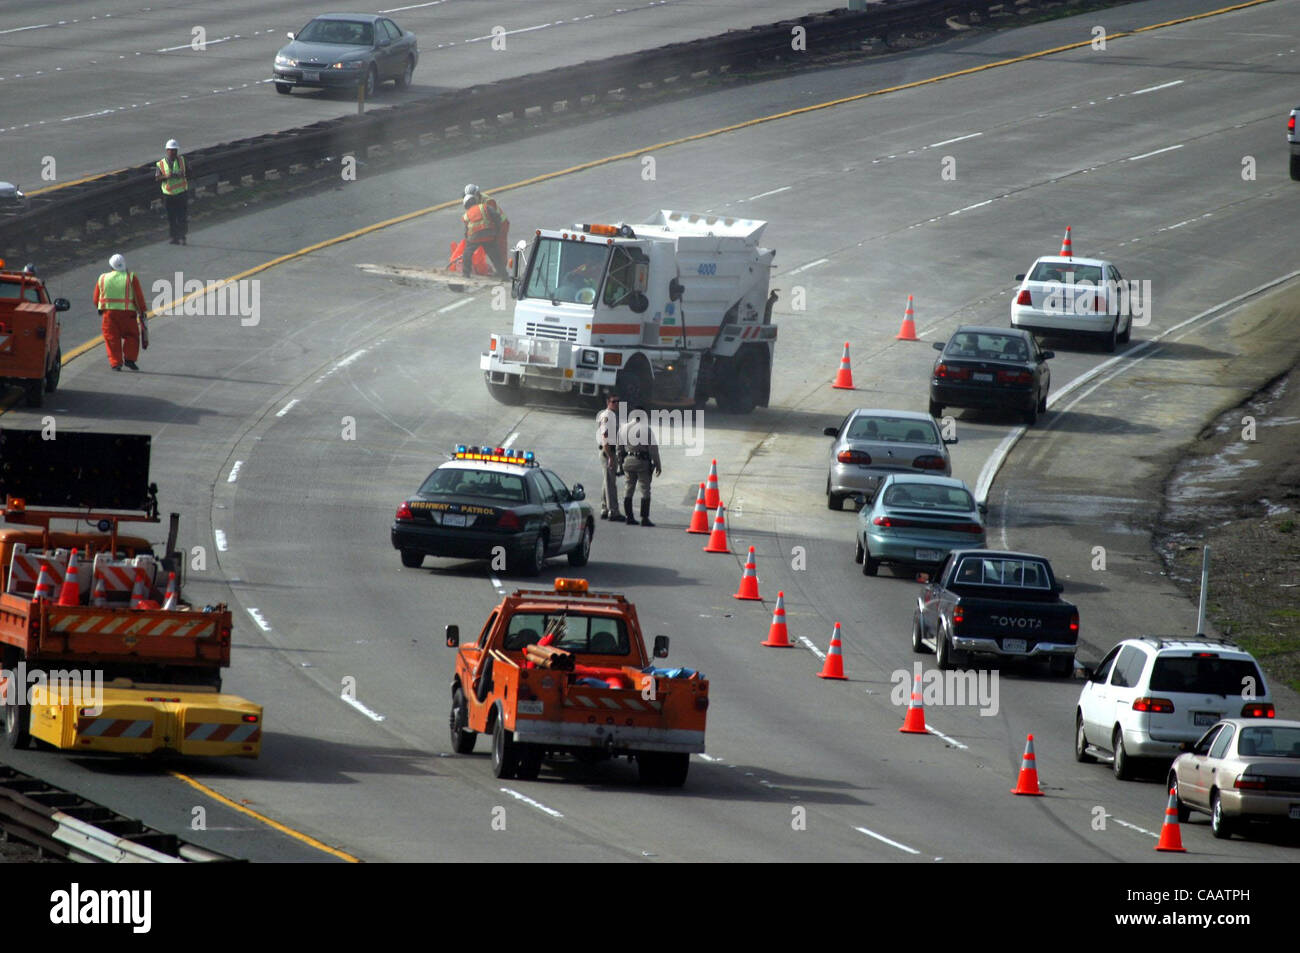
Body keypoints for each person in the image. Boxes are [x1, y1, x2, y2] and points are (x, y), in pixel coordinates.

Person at [92, 254, 148, 371]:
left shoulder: (102, 278)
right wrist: (142, 310)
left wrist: (100, 308)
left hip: (109, 314)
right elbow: (139, 296)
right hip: (128, 314)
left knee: (112, 338)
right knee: (132, 336)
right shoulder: (131, 277)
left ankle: (116, 363)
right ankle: (129, 359)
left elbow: (96, 299)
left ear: (110, 266)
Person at [616, 406, 662, 527]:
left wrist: (620, 464)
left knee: (628, 488)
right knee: (645, 490)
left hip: (628, 462)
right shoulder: (646, 429)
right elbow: (653, 450)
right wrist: (658, 464)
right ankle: (644, 518)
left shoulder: (623, 428)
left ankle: (629, 517)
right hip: (642, 463)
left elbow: (619, 449)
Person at [461, 184, 508, 278]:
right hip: (489, 233)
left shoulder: (487, 202)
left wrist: (468, 241)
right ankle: (503, 274)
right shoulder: (484, 206)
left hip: (500, 226)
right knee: (495, 253)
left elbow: (467, 229)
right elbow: (495, 217)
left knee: (467, 254)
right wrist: (493, 235)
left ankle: (466, 274)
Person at [595, 392, 624, 522]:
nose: (617, 404)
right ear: (608, 402)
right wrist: (611, 456)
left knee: (607, 480)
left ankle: (604, 508)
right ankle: (614, 511)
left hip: (610, 451)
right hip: (608, 452)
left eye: (618, 401)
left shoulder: (613, 415)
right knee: (610, 483)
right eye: (614, 401)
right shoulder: (607, 416)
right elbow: (605, 438)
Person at [154, 139, 189, 245]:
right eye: (171, 150)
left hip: (181, 193)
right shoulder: (161, 164)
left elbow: (191, 171)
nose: (174, 152)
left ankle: (182, 236)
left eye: (175, 150)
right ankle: (175, 238)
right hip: (169, 195)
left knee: (182, 216)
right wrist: (166, 176)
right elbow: (157, 178)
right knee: (171, 217)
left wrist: (182, 174)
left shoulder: (182, 161)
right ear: (167, 150)